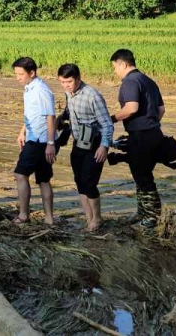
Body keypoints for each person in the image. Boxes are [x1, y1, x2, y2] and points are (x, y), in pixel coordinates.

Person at [110, 49, 167, 228]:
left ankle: (151, 217)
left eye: (114, 67)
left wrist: (110, 119)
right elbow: (161, 110)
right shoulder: (148, 80)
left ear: (123, 64)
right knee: (140, 174)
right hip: (154, 134)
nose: (114, 71)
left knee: (143, 177)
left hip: (141, 135)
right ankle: (142, 213)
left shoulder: (130, 81)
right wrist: (151, 123)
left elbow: (131, 108)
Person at [57, 64, 114, 232]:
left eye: (69, 81)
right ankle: (89, 220)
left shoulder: (92, 95)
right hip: (78, 143)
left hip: (95, 144)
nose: (66, 85)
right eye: (62, 82)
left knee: (89, 183)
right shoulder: (68, 94)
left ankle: (97, 219)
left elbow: (107, 124)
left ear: (78, 79)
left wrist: (104, 146)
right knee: (79, 181)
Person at [12, 57, 57, 225]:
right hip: (35, 137)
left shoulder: (41, 90)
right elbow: (32, 113)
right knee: (43, 179)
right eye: (16, 74)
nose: (18, 78)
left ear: (32, 73)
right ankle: (49, 218)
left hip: (40, 141)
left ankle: (24, 215)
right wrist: (22, 131)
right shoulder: (30, 88)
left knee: (20, 174)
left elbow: (50, 116)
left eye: (21, 74)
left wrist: (50, 144)